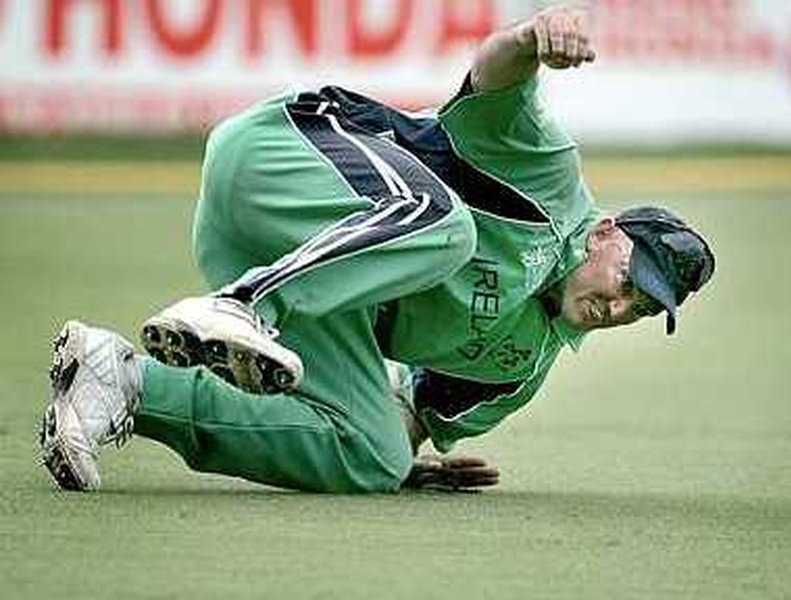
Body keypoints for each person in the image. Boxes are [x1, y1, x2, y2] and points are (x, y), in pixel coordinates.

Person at [39, 5, 715, 494]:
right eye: (628, 275)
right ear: (605, 231)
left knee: (375, 457)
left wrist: (400, 452)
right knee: (451, 230)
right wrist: (534, 37)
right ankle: (245, 306)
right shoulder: (551, 181)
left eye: (639, 307)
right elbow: (494, 71)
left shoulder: (518, 370)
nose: (618, 303)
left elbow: (408, 415)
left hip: (278, 257)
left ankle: (121, 381)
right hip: (278, 156)